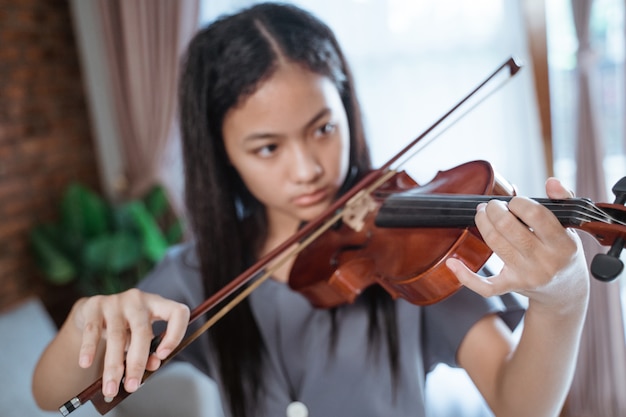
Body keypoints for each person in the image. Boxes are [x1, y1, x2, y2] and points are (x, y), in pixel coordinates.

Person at [32, 3, 590, 417]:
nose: (307, 169)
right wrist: (87, 321)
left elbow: (521, 404)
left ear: (347, 109)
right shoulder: (192, 276)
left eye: (323, 128)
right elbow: (51, 397)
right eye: (268, 147)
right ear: (222, 153)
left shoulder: (408, 256)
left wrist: (563, 297)